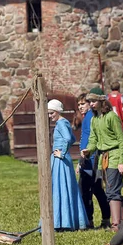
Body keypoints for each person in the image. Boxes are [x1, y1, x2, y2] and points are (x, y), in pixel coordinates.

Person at [81, 87, 123, 232]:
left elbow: (122, 140)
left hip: (115, 157)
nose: (91, 104)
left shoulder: (111, 117)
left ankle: (116, 226)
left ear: (102, 101)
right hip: (103, 158)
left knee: (112, 192)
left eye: (93, 101)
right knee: (113, 191)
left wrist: (122, 161)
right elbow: (93, 139)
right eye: (89, 101)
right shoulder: (94, 119)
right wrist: (89, 150)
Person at [48, 99, 88, 231]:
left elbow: (68, 139)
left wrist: (62, 153)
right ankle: (65, 220)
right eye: (49, 113)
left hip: (61, 160)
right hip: (62, 160)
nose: (50, 116)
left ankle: (62, 222)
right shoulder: (63, 122)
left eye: (52, 113)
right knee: (63, 188)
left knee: (61, 189)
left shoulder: (61, 123)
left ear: (58, 111)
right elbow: (72, 138)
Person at [76, 93, 110, 229]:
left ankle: (92, 220)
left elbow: (93, 139)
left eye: (83, 104)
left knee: (88, 190)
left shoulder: (91, 117)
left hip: (91, 159)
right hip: (87, 159)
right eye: (79, 105)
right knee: (95, 190)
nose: (81, 107)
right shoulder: (87, 118)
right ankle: (102, 219)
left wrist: (84, 160)